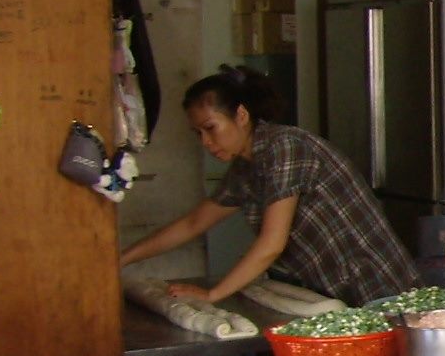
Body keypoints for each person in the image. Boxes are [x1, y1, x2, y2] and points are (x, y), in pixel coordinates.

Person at [119, 64, 418, 307]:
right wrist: (121, 260)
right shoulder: (246, 167)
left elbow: (271, 244)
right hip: (335, 288)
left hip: (377, 285)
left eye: (211, 128)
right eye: (198, 133)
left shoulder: (285, 148)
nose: (206, 143)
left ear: (242, 116)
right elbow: (194, 222)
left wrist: (213, 295)